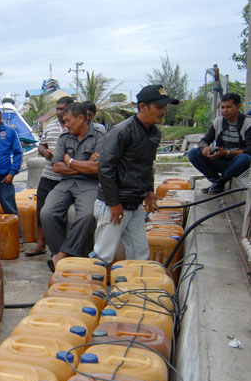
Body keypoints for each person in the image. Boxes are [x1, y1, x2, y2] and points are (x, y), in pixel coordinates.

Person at [90, 85, 178, 264]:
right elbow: (106, 169)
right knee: (103, 255)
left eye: (164, 108)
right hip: (114, 205)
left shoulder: (154, 132)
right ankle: (88, 288)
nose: (163, 112)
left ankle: (133, 289)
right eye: (159, 107)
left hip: (135, 203)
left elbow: (147, 166)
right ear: (143, 106)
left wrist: (150, 192)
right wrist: (113, 203)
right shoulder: (122, 131)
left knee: (140, 254)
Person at [40, 102, 104, 270]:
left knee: (87, 215)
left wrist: (71, 162)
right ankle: (62, 255)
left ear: (81, 118)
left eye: (68, 121)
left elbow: (97, 168)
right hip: (66, 183)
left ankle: (62, 256)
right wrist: (84, 167)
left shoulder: (99, 136)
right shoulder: (64, 137)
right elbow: (57, 167)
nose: (66, 124)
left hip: (89, 184)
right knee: (47, 213)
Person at [27, 96, 74, 257]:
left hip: (67, 177)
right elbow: (42, 144)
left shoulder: (74, 127)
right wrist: (44, 151)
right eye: (58, 109)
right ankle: (41, 244)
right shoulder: (51, 126)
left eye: (62, 109)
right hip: (48, 174)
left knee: (64, 212)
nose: (59, 112)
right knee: (41, 209)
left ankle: (64, 247)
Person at [187, 92, 251, 194]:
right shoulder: (218, 121)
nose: (224, 111)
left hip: (237, 163)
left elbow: (249, 150)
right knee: (193, 153)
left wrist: (227, 153)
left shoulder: (248, 123)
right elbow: (204, 140)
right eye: (222, 107)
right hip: (220, 159)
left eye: (228, 107)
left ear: (238, 107)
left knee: (245, 158)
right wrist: (204, 148)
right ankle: (217, 181)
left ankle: (219, 183)